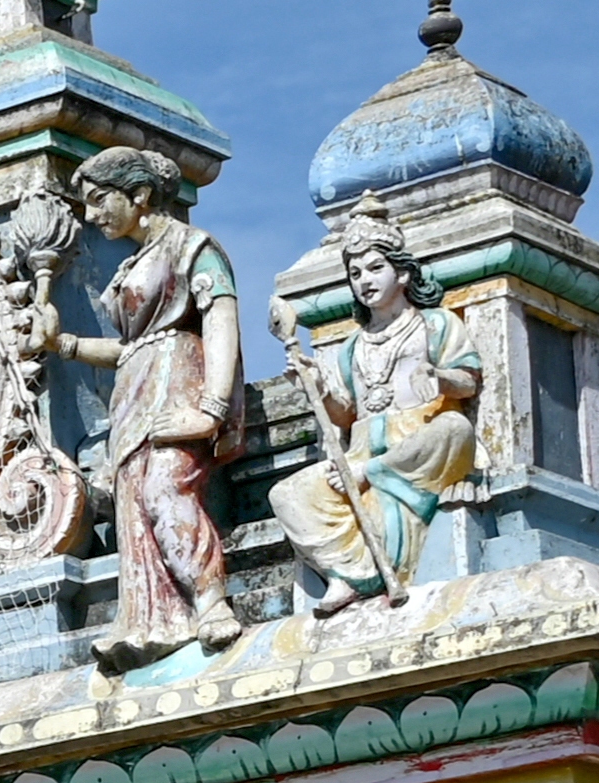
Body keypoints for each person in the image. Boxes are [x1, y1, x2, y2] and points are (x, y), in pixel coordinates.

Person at [54, 147, 247, 669]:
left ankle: (209, 602)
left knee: (167, 487)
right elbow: (127, 349)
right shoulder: (130, 265)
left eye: (99, 201)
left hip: (180, 381)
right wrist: (64, 345)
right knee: (133, 509)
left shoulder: (191, 247)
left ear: (138, 195)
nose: (91, 216)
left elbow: (220, 320)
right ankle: (152, 621)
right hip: (135, 393)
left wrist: (211, 408)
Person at [268, 209, 479, 615]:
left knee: (454, 426)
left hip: (417, 446)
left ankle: (373, 483)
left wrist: (438, 377)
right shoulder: (353, 346)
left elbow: (469, 381)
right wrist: (315, 386)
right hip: (361, 451)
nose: (365, 280)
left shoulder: (434, 325)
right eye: (356, 273)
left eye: (375, 268)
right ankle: (348, 575)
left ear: (402, 275)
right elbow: (344, 415)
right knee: (288, 493)